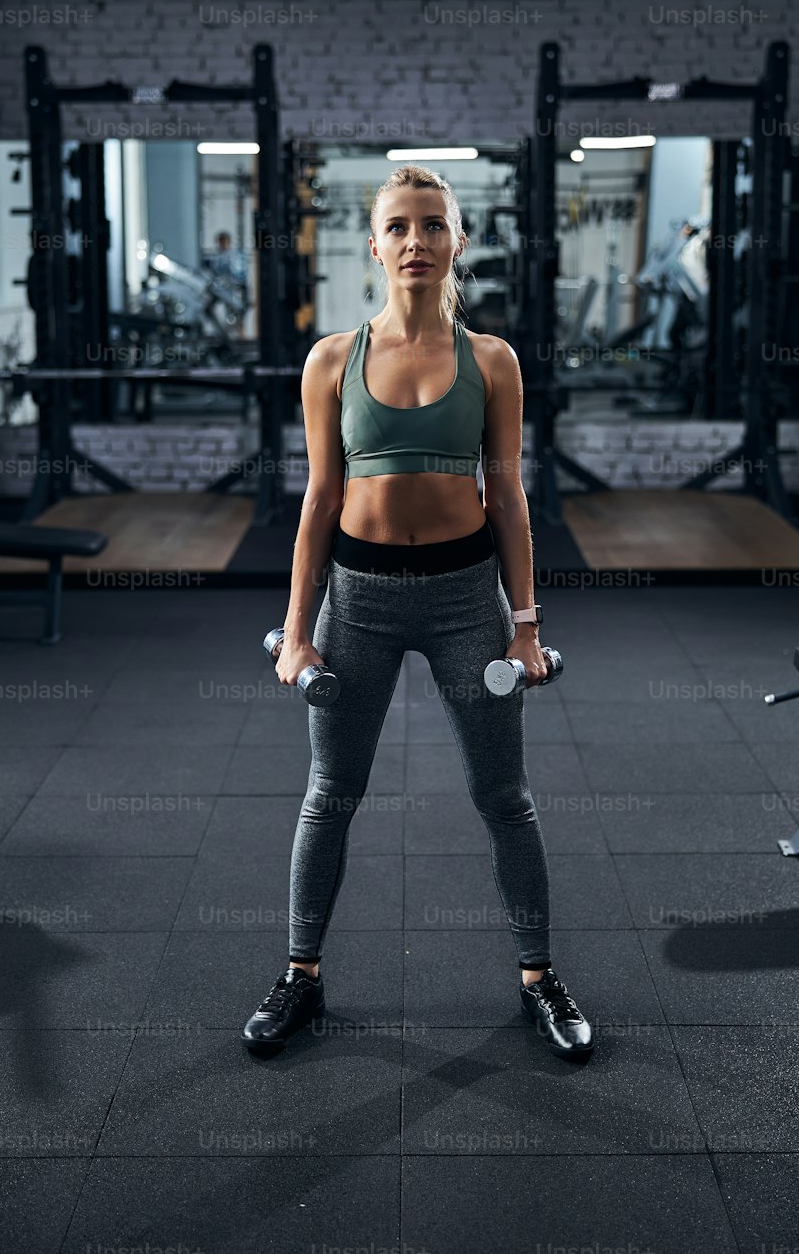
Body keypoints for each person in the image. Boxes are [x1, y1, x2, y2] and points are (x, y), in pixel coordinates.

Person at [242, 163, 593, 1061]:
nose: (415, 243)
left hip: (464, 597)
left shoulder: (492, 360)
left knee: (504, 798)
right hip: (356, 600)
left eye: (432, 226)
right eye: (398, 227)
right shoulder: (333, 360)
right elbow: (319, 502)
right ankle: (300, 977)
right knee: (330, 795)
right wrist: (297, 631)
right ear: (374, 244)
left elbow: (508, 496)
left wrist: (526, 625)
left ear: (457, 242)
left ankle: (538, 977)